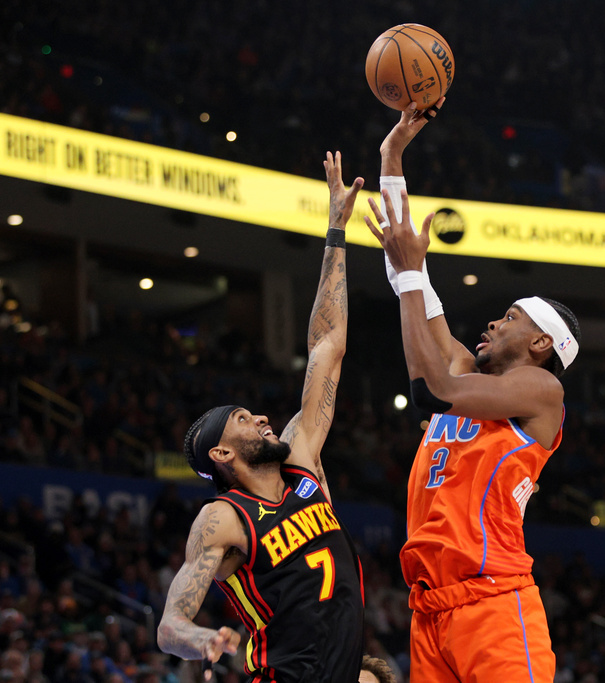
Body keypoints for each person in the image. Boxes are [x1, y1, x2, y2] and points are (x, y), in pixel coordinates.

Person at [364, 103, 581, 683]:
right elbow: (408, 276)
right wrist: (392, 157)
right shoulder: (468, 372)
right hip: (429, 609)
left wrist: (412, 272)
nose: (491, 322)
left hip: (494, 601)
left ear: (540, 343)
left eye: (509, 317)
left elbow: (432, 390)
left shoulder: (541, 390)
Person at [157, 152, 366, 682]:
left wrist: (336, 231)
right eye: (244, 419)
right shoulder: (223, 518)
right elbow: (169, 626)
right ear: (221, 452)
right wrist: (203, 638)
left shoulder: (302, 459)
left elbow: (327, 345)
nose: (263, 419)